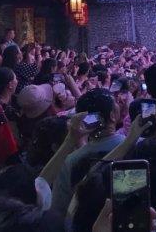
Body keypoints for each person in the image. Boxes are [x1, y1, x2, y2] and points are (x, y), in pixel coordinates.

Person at [51, 88, 125, 216]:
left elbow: (58, 209)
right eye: (117, 103)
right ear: (112, 115)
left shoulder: (70, 161)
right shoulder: (136, 144)